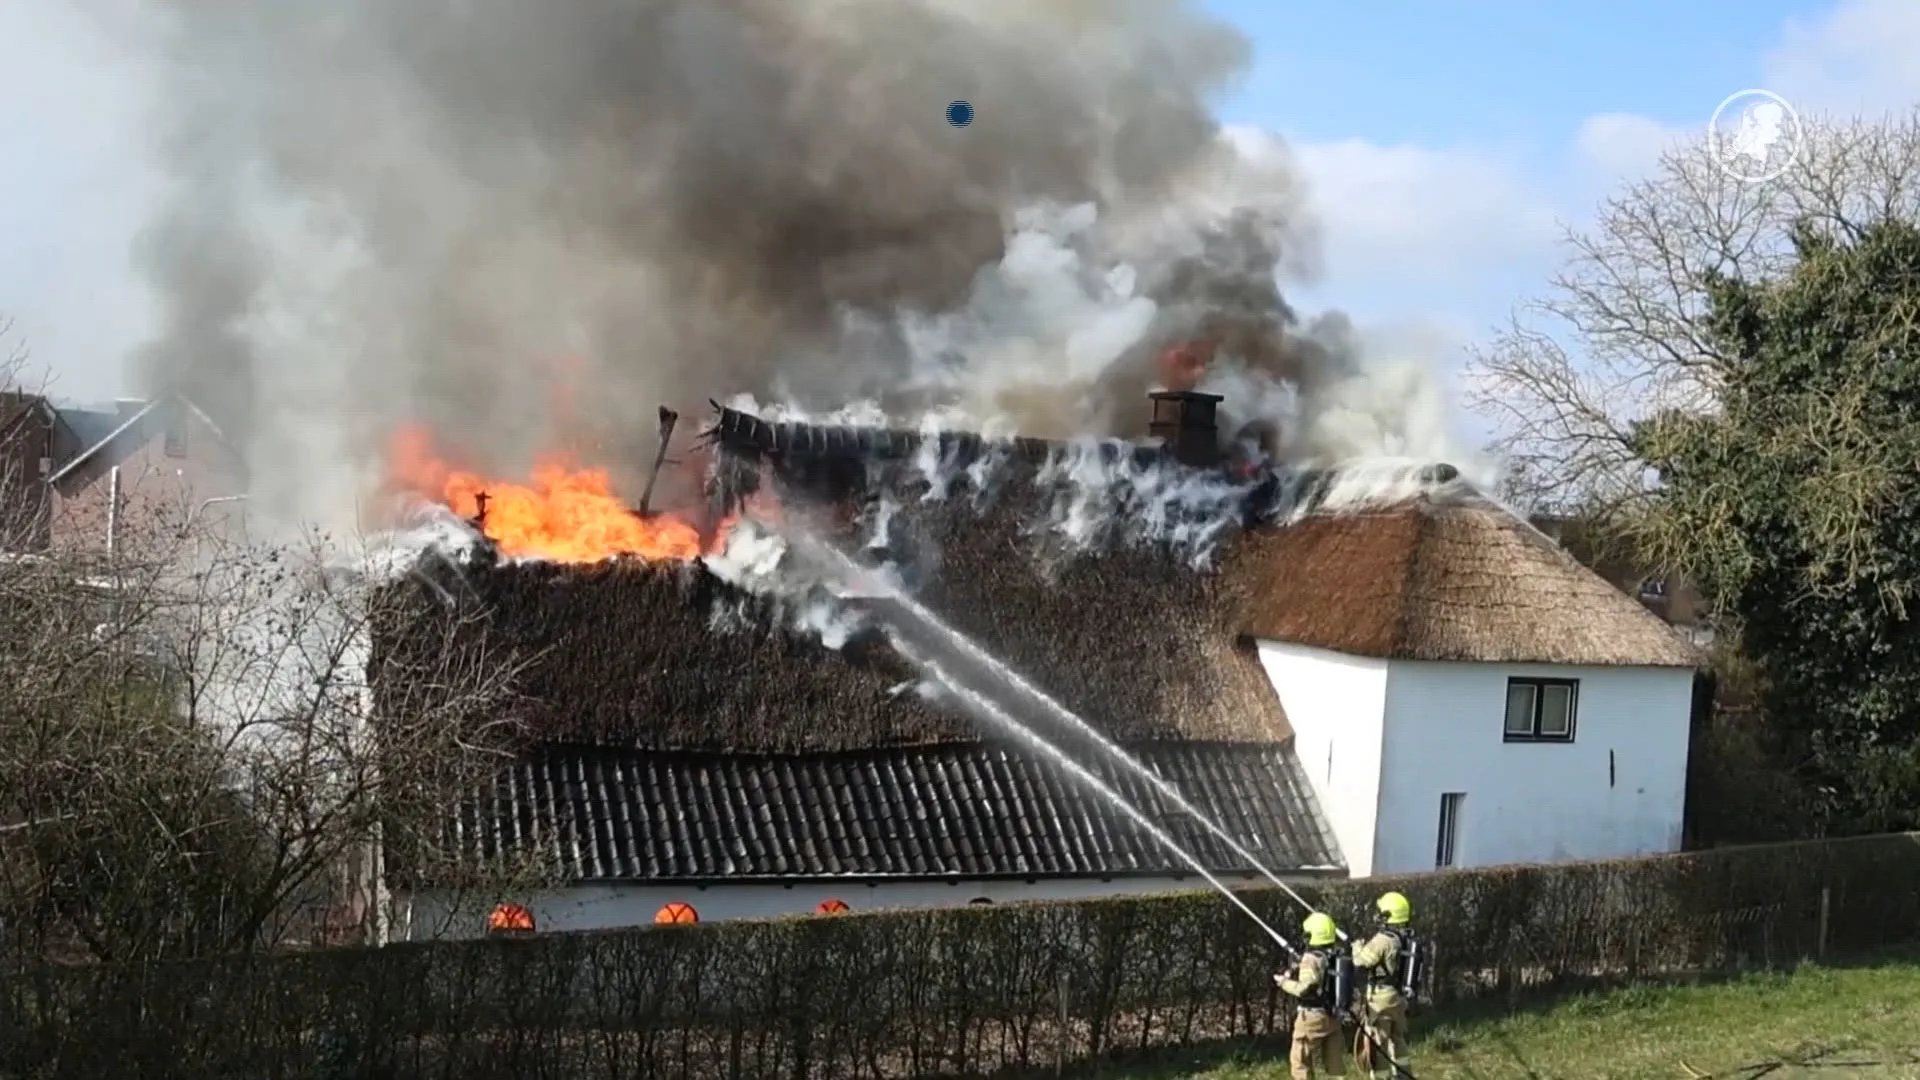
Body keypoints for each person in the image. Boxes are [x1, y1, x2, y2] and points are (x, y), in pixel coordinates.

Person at [1348, 892, 1415, 1079]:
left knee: (1378, 1044)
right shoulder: (1405, 938)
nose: (1378, 915)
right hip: (1398, 997)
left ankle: (1381, 1076)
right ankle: (1403, 1075)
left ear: (1388, 915)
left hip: (1380, 1000)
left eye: (1381, 912)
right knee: (1398, 1038)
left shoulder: (1382, 940)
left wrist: (1356, 947)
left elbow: (1361, 961)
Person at [1275, 911, 1347, 1079]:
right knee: (1334, 1062)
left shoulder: (1310, 959)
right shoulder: (1334, 955)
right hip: (1333, 1016)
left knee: (1300, 1060)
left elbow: (1304, 988)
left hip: (1312, 1017)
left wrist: (1283, 982)